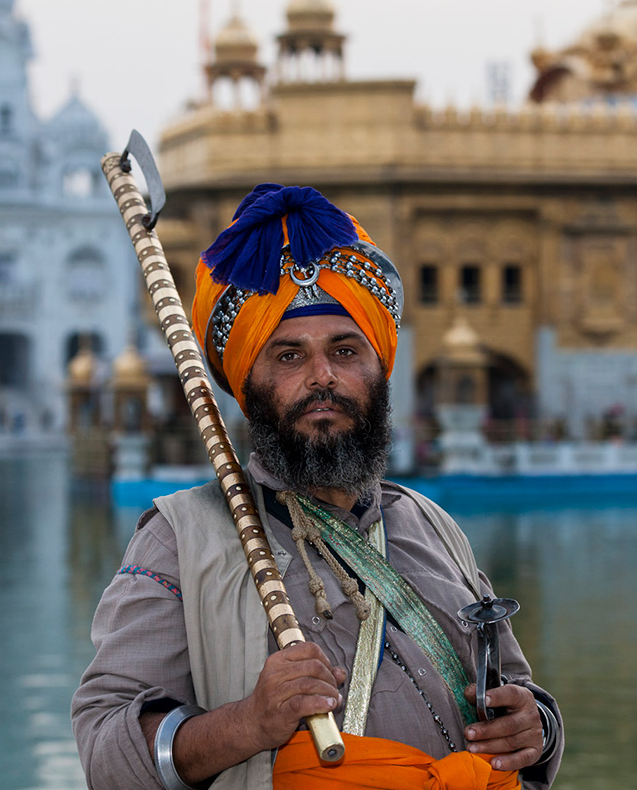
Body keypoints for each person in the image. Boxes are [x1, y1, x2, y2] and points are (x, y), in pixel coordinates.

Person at [72, 184, 563, 790]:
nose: (323, 376)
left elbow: (520, 694)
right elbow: (104, 749)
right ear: (249, 385)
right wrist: (247, 724)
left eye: (345, 350)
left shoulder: (429, 523)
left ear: (379, 368)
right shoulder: (182, 542)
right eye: (287, 357)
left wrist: (534, 728)